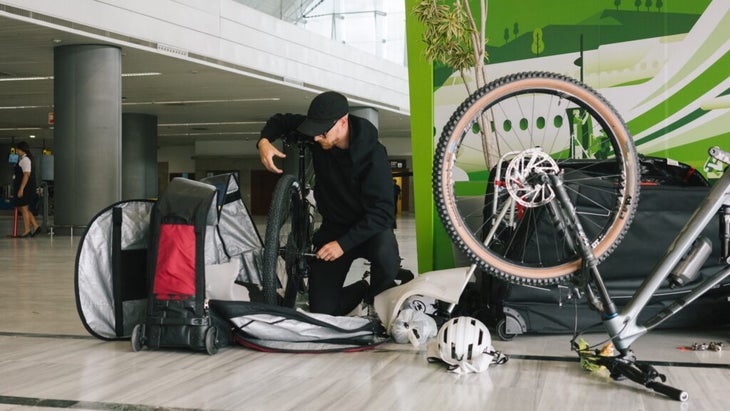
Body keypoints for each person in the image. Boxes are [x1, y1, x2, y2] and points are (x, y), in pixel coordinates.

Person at [257, 91, 401, 316]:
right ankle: (361, 288)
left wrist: (342, 245)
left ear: (343, 122)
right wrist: (263, 142)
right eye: (314, 130)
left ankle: (375, 298)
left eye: (322, 131)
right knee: (322, 311)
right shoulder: (319, 134)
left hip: (370, 229)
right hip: (335, 227)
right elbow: (281, 120)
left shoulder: (374, 155)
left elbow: (383, 213)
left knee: (387, 257)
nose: (315, 137)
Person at [13, 141, 41, 238]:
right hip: (24, 187)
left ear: (22, 150)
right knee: (21, 207)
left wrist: (21, 189)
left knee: (24, 208)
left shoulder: (26, 160)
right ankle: (36, 226)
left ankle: (27, 230)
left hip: (26, 187)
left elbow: (26, 174)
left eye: (17, 149)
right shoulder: (23, 159)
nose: (16, 151)